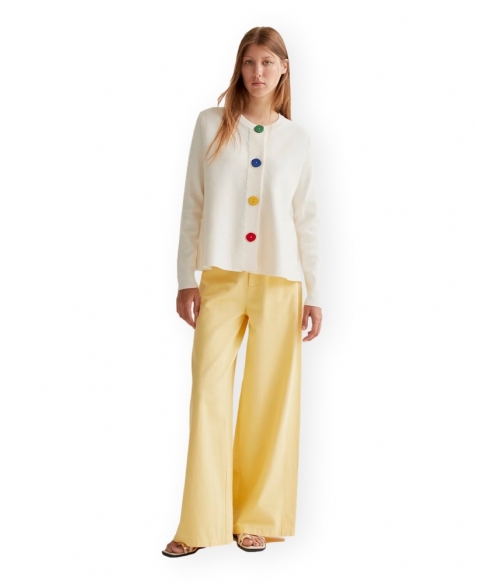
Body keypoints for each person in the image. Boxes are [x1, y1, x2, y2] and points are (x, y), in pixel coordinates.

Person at [162, 26, 323, 558]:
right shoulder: (211, 125)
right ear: (240, 67)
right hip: (221, 278)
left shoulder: (298, 140)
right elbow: (193, 203)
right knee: (207, 394)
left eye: (267, 63)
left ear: (283, 69)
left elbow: (306, 219)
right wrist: (186, 277)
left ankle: (255, 518)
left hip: (281, 281)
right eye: (250, 62)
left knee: (268, 400)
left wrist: (315, 292)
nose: (258, 72)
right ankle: (199, 524)